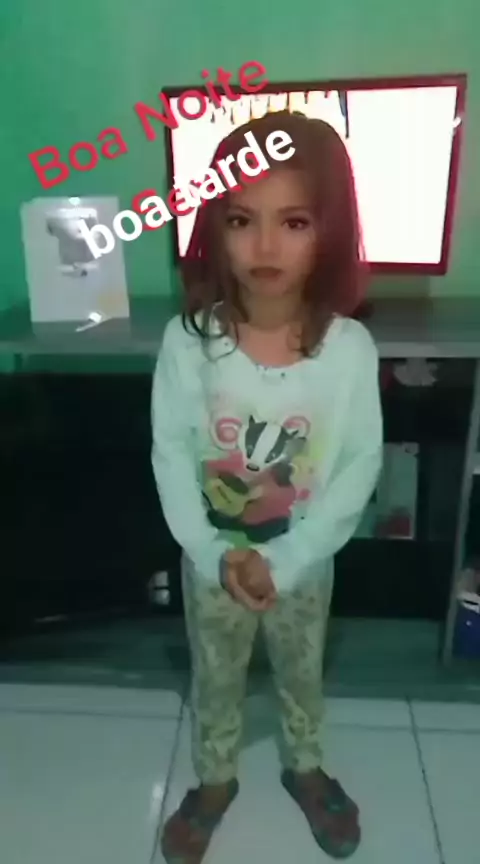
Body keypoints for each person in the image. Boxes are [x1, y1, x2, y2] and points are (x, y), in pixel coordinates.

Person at [151, 111, 383, 863]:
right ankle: (214, 778)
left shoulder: (349, 350)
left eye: (294, 221)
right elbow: (170, 451)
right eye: (241, 219)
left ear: (329, 231)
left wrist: (283, 562)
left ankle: (304, 764)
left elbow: (358, 467)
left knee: (301, 672)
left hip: (303, 565)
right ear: (215, 229)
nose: (265, 245)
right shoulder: (188, 343)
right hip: (211, 564)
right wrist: (211, 553)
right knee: (215, 678)